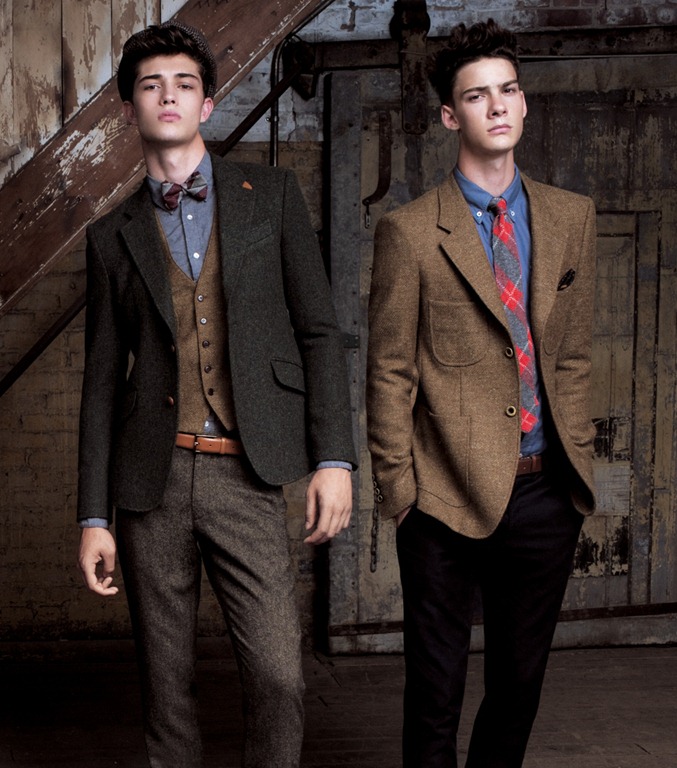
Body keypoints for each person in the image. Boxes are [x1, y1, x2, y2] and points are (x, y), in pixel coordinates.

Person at [76, 21, 356, 768]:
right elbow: (100, 384)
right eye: (150, 85)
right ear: (130, 110)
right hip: (151, 481)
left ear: (206, 104)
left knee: (278, 676)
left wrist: (334, 458)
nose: (167, 96)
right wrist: (94, 517)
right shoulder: (110, 237)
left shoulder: (272, 197)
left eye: (184, 84)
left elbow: (319, 333)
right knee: (166, 690)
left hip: (246, 471)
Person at [367, 18, 596, 768]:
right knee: (435, 693)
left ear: (523, 103)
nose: (496, 106)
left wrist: (576, 465)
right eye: (476, 96)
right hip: (441, 499)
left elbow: (571, 355)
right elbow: (389, 371)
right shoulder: (409, 232)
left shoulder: (570, 216)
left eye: (507, 90)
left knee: (517, 688)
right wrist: (401, 494)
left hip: (544, 490)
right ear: (449, 115)